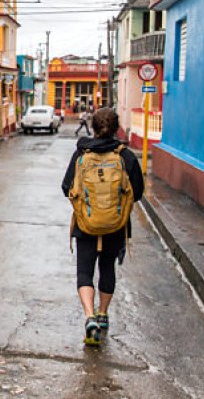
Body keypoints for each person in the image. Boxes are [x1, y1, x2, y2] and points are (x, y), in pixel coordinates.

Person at [61, 108, 144, 346]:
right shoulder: (125, 156)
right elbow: (137, 192)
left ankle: (89, 317)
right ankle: (103, 314)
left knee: (84, 271)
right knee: (108, 268)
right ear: (116, 128)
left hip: (85, 225)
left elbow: (66, 186)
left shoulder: (81, 153)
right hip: (115, 226)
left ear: (93, 128)